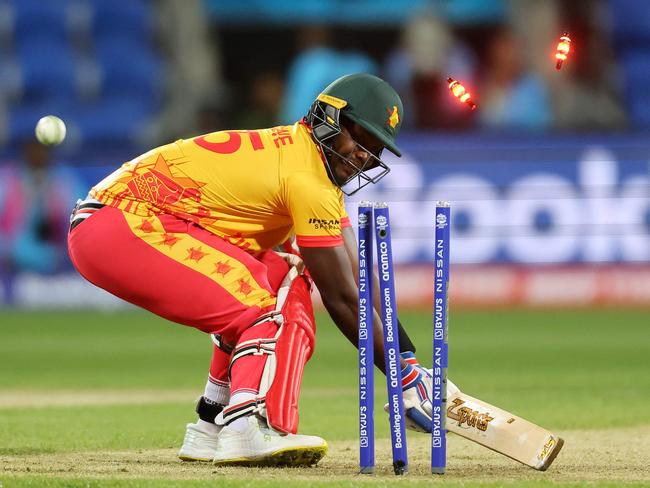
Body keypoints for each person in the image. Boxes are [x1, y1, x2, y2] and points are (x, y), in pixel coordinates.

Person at [67, 73, 435, 467]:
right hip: (125, 222)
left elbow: (358, 275)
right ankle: (246, 424)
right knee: (264, 307)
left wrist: (409, 361)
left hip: (123, 221)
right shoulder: (306, 178)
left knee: (282, 276)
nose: (364, 155)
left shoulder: (307, 162)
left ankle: (210, 425)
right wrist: (400, 376)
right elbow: (343, 299)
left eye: (375, 149)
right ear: (330, 118)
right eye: (361, 139)